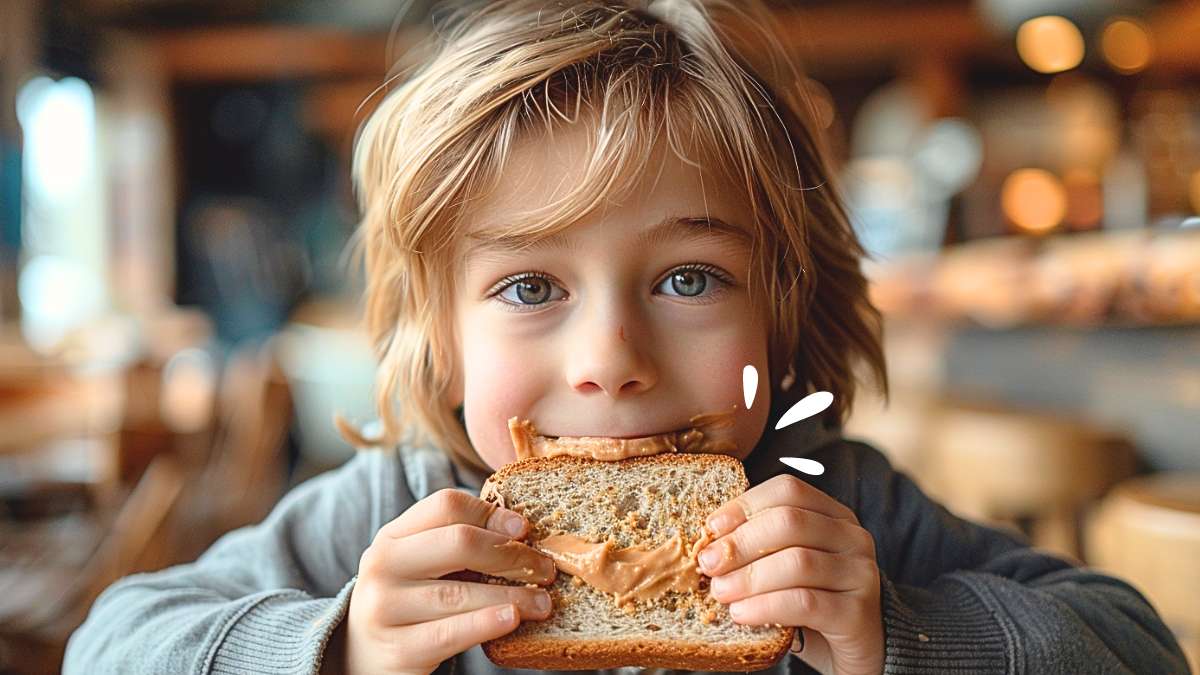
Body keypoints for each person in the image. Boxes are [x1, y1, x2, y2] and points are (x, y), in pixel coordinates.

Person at [64, 1, 1189, 673]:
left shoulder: (841, 512)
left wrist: (905, 634)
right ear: (441, 343)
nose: (612, 358)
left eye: (689, 277)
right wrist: (339, 645)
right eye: (528, 288)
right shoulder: (388, 516)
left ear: (784, 314)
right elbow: (109, 645)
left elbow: (1138, 645)